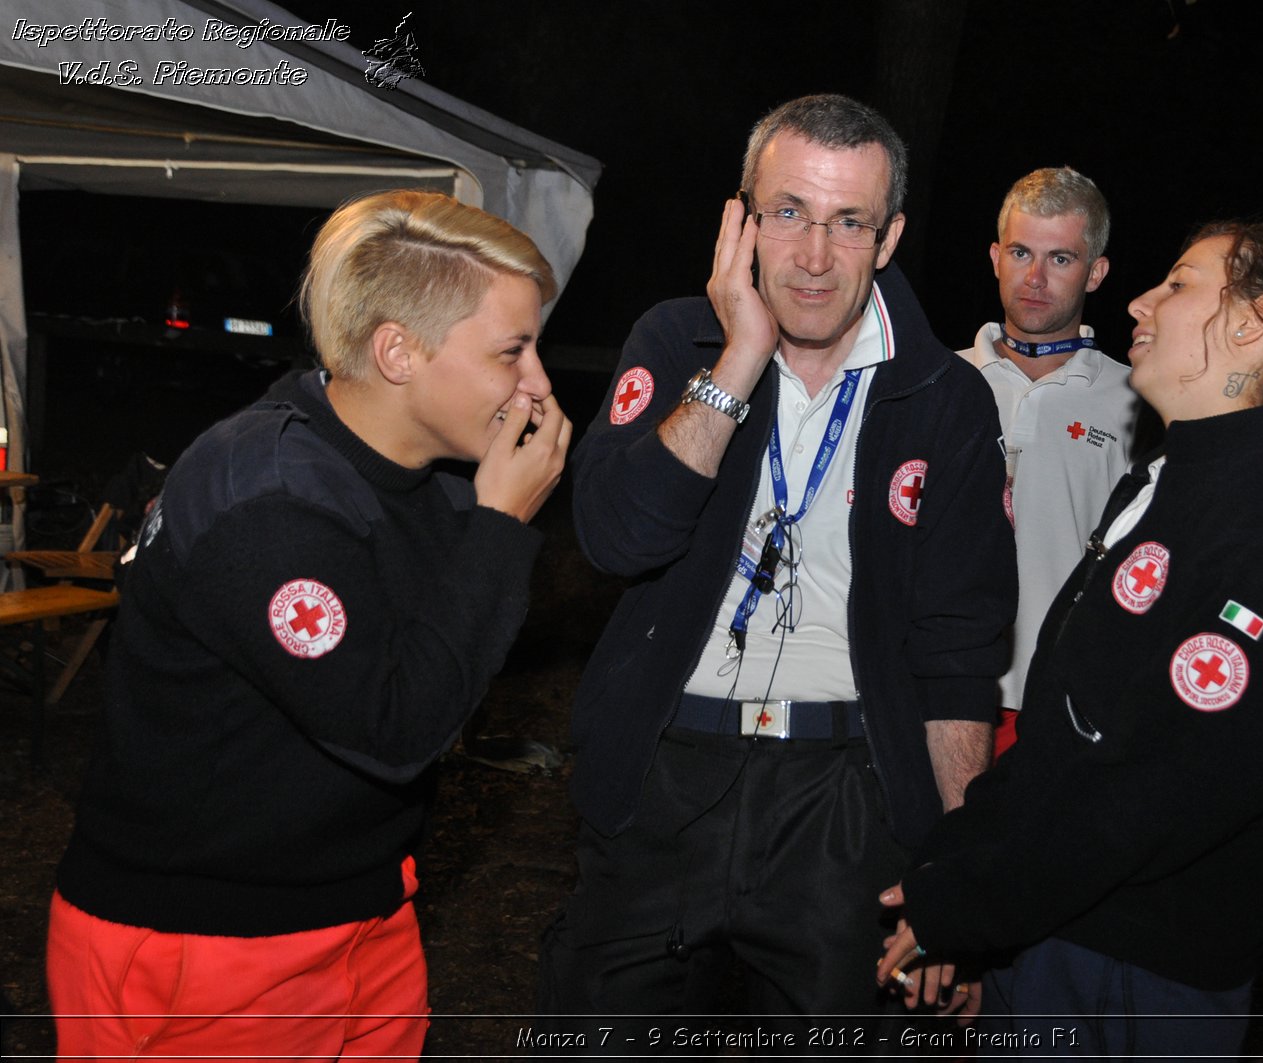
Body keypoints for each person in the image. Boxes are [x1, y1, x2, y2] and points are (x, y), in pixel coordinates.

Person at [47, 189, 572, 1059]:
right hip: (203, 943)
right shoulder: (268, 497)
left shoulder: (435, 481)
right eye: (513, 351)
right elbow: (398, 725)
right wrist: (501, 530)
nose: (540, 384)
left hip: (361, 910)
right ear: (397, 351)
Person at [538, 94, 1015, 1023]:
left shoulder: (945, 397)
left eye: (849, 223)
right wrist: (736, 364)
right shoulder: (678, 340)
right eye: (788, 212)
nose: (812, 255)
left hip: (844, 797)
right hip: (663, 774)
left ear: (890, 238)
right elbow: (615, 538)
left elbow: (958, 656)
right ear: (743, 219)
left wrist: (956, 871)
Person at [876, 219, 1263, 1056]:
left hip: (1136, 974)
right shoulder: (1169, 484)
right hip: (1060, 931)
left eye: (1180, 283)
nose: (1142, 302)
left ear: (1255, 323)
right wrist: (956, 870)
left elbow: (1156, 792)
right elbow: (1066, 733)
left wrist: (971, 907)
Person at [957, 166, 1141, 755]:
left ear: (1097, 271)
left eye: (1060, 259)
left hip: (1064, 698)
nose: (1034, 278)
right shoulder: (939, 382)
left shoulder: (1138, 399)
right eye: (1020, 252)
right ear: (994, 256)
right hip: (941, 688)